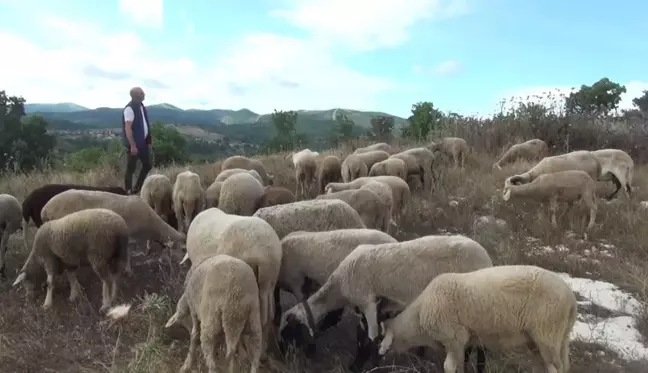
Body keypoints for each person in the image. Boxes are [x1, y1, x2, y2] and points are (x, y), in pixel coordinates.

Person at [122, 86, 153, 194]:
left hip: (143, 143)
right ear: (135, 95)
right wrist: (132, 145)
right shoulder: (129, 108)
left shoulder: (141, 106)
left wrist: (148, 141)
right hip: (135, 144)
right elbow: (128, 127)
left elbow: (145, 125)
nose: (144, 94)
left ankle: (137, 188)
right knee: (131, 168)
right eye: (141, 93)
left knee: (148, 165)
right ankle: (128, 191)